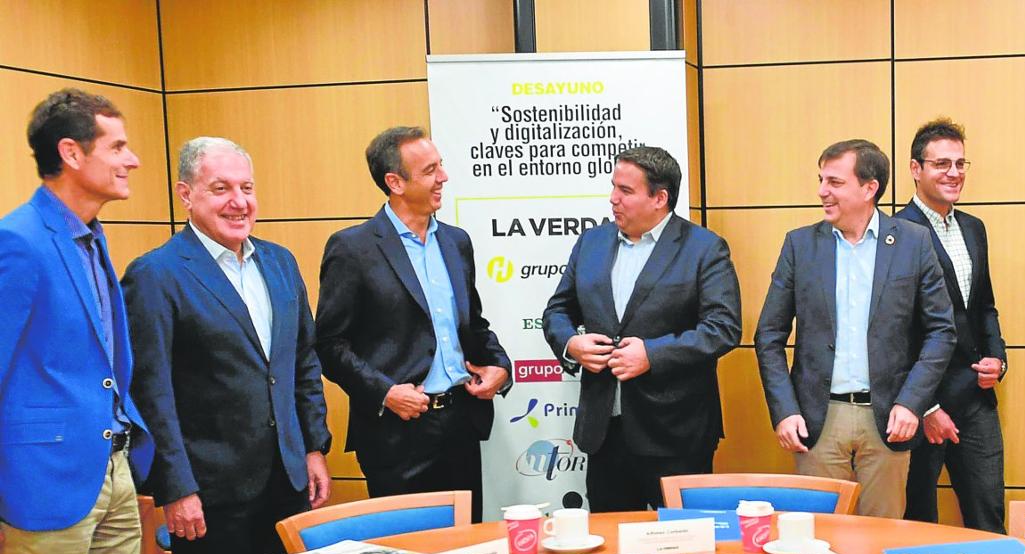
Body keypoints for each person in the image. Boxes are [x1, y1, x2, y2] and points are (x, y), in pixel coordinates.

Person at [122, 137, 332, 554]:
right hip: (209, 494)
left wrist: (313, 446)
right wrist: (175, 486)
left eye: (247, 188)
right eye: (221, 189)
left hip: (287, 481)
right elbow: (150, 391)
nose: (239, 202)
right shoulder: (156, 275)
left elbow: (302, 363)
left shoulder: (280, 262)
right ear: (186, 195)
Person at [0, 88, 153, 554]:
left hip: (114, 470)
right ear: (71, 153)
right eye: (117, 147)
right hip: (43, 482)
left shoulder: (92, 235)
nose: (131, 160)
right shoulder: (18, 240)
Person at [316, 126, 510, 523]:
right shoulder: (353, 249)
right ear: (395, 183)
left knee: (465, 553)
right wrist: (385, 393)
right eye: (430, 170)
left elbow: (473, 323)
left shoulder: (457, 242)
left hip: (460, 423)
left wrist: (499, 366)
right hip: (397, 433)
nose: (444, 178)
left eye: (441, 166)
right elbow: (329, 345)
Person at [755, 139, 956, 519]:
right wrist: (784, 410)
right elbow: (768, 335)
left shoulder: (913, 243)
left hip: (888, 420)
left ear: (869, 188)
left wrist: (912, 402)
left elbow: (941, 331)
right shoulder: (800, 245)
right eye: (821, 180)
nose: (822, 192)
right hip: (817, 418)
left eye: (834, 182)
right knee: (820, 541)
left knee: (882, 539)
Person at [543, 145, 742, 512]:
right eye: (614, 187)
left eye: (626, 191)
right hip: (605, 430)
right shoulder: (592, 242)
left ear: (660, 198)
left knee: (684, 547)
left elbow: (724, 328)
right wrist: (572, 343)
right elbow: (557, 310)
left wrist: (652, 354)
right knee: (613, 548)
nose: (613, 199)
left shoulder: (703, 248)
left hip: (676, 432)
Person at [897, 119, 1007, 533]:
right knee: (919, 523)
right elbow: (895, 332)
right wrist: (925, 406)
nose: (954, 173)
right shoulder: (897, 233)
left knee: (988, 518)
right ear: (915, 169)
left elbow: (985, 307)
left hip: (977, 399)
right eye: (942, 163)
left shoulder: (973, 228)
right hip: (922, 404)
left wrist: (998, 358)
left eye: (961, 163)